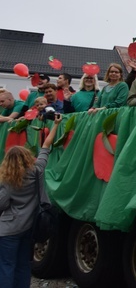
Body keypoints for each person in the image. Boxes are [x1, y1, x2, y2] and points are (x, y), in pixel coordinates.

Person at [0, 113, 61, 287]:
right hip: (30, 226)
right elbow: (46, 146)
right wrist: (56, 124)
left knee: (6, 265)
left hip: (8, 230)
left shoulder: (8, 180)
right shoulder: (38, 170)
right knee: (23, 266)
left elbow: (2, 204)